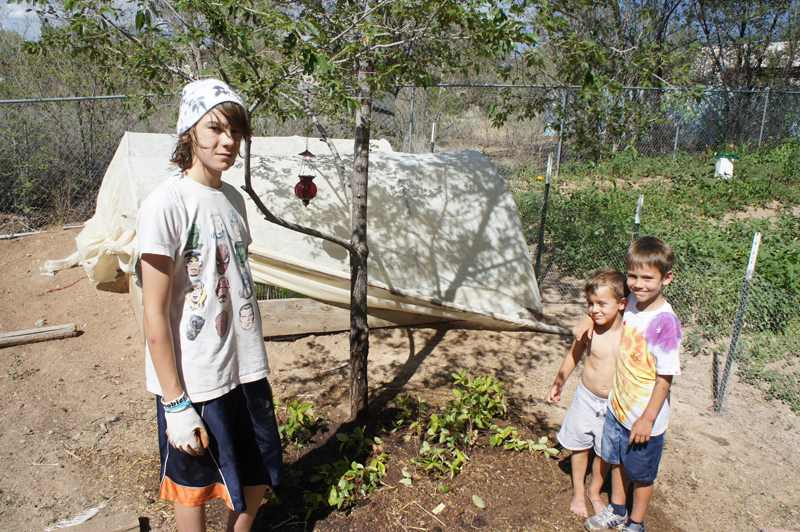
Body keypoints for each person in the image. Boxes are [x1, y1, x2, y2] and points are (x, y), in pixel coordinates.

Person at [137, 78, 283, 532]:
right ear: (189, 132)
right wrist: (175, 402)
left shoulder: (233, 198)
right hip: (195, 377)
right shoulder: (166, 204)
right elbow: (153, 311)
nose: (228, 141)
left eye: (235, 132)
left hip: (244, 366)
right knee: (194, 483)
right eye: (216, 129)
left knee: (259, 466)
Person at [577, 237, 682, 532]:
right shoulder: (632, 301)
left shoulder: (665, 323)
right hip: (618, 407)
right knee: (619, 462)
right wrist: (588, 318)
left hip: (644, 418)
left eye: (648, 278)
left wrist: (647, 419)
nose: (638, 284)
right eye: (633, 276)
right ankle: (618, 510)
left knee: (642, 475)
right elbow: (605, 302)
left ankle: (636, 523)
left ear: (666, 278)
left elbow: (665, 377)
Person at [547, 267, 627, 519]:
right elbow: (573, 355)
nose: (594, 309)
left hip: (613, 405)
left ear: (622, 304)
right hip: (586, 399)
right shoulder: (590, 330)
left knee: (605, 452)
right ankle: (579, 493)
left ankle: (594, 492)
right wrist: (558, 382)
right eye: (590, 304)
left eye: (602, 304)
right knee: (580, 447)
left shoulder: (630, 332)